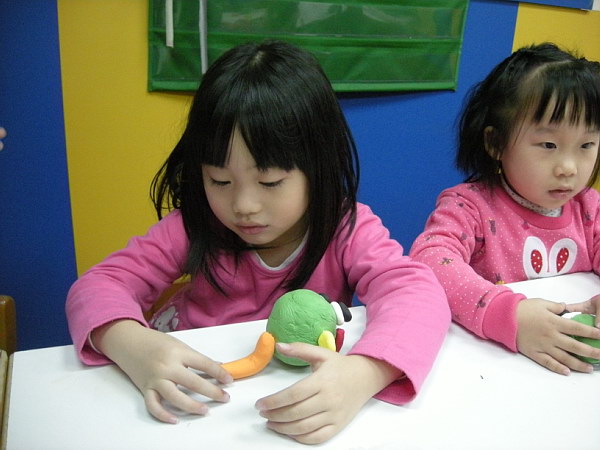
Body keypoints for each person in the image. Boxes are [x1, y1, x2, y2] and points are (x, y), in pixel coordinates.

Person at [66, 40, 450, 444]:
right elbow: (97, 285)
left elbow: (417, 294)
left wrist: (365, 373)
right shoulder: (194, 225)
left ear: (318, 167)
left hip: (283, 406)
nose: (243, 206)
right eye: (220, 180)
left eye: (270, 182)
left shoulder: (344, 227)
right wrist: (134, 346)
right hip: (191, 400)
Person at [410, 43, 600, 377]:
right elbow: (430, 260)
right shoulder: (470, 207)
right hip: (490, 369)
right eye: (549, 145)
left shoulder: (589, 208)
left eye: (586, 145)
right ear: (496, 143)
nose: (568, 168)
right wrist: (510, 316)